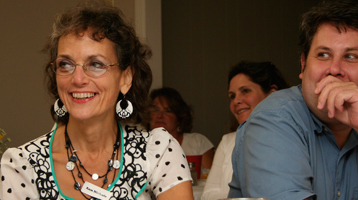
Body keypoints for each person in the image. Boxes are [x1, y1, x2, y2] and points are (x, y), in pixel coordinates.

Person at [0, 2, 193, 200]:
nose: (77, 79)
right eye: (65, 64)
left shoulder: (157, 152)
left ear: (126, 79)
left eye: (96, 64)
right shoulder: (22, 165)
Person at [229, 1, 358, 199]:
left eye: (351, 56)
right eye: (323, 54)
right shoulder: (273, 118)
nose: (334, 69)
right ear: (303, 65)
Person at [201, 61, 289, 200]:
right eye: (232, 96)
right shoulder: (227, 141)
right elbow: (207, 195)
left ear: (272, 94)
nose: (236, 101)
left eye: (245, 91)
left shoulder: (293, 139)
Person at [147, 87, 215, 174]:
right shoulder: (139, 144)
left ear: (179, 117)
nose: (159, 115)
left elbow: (212, 180)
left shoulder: (198, 142)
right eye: (155, 110)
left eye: (167, 111)